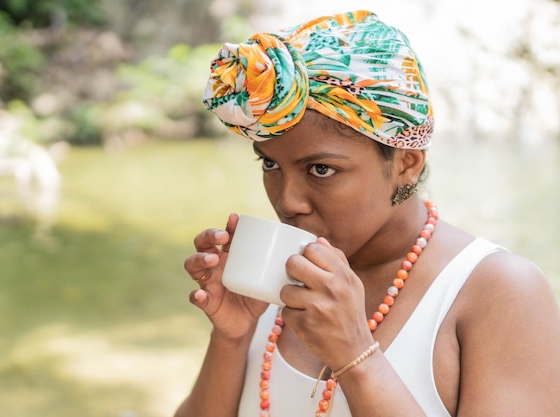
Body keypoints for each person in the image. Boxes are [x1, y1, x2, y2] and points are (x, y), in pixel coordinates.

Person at [175, 10, 560, 417]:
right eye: (269, 164)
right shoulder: (273, 276)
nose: (288, 202)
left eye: (321, 169)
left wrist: (357, 357)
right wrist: (232, 338)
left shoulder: (498, 292)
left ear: (406, 163)